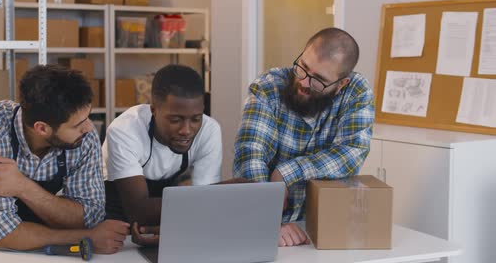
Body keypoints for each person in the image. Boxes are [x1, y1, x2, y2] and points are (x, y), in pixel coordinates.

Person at [0, 65, 130, 263]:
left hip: (39, 247)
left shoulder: (82, 138)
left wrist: (23, 187)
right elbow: (2, 234)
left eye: (87, 117)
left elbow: (89, 217)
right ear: (42, 129)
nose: (89, 128)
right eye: (78, 124)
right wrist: (86, 237)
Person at [234, 27, 374, 247]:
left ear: (341, 84)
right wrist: (267, 220)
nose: (304, 82)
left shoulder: (357, 91)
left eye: (318, 79)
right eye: (303, 67)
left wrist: (286, 173)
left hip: (322, 227)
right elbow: (251, 154)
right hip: (261, 225)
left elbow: (352, 152)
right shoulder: (267, 87)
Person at [102, 64, 222, 244]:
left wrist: (174, 226)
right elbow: (138, 210)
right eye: (176, 119)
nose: (186, 130)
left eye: (196, 119)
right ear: (153, 110)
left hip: (165, 207)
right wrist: (198, 207)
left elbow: (206, 201)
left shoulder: (209, 130)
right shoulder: (124, 130)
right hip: (114, 204)